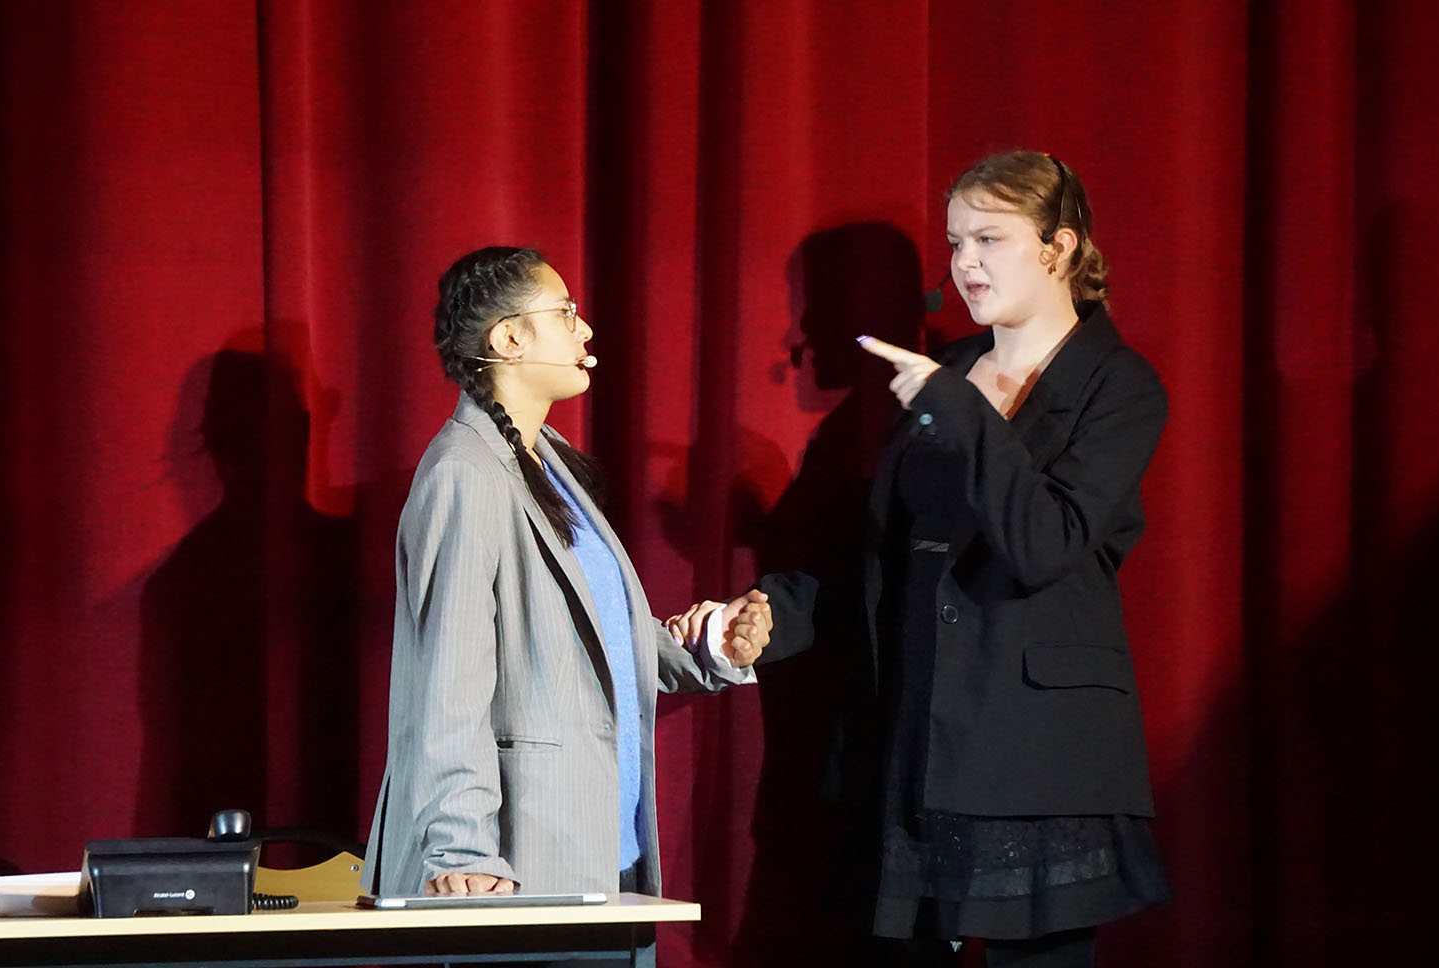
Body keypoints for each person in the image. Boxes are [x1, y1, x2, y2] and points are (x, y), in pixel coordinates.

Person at [749, 152, 1170, 966]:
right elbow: (887, 557)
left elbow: (1044, 543)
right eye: (954, 242)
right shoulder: (945, 376)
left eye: (989, 238)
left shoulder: (1117, 385)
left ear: (1058, 247)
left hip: (1036, 755)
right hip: (919, 737)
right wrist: (775, 612)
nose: (965, 263)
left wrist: (965, 413)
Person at [362, 246, 771, 904]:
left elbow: (593, 641)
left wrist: (710, 647)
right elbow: (450, 682)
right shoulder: (464, 473)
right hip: (512, 864)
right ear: (509, 339)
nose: (584, 329)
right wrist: (461, 847)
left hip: (597, 850)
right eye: (565, 312)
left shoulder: (549, 459)